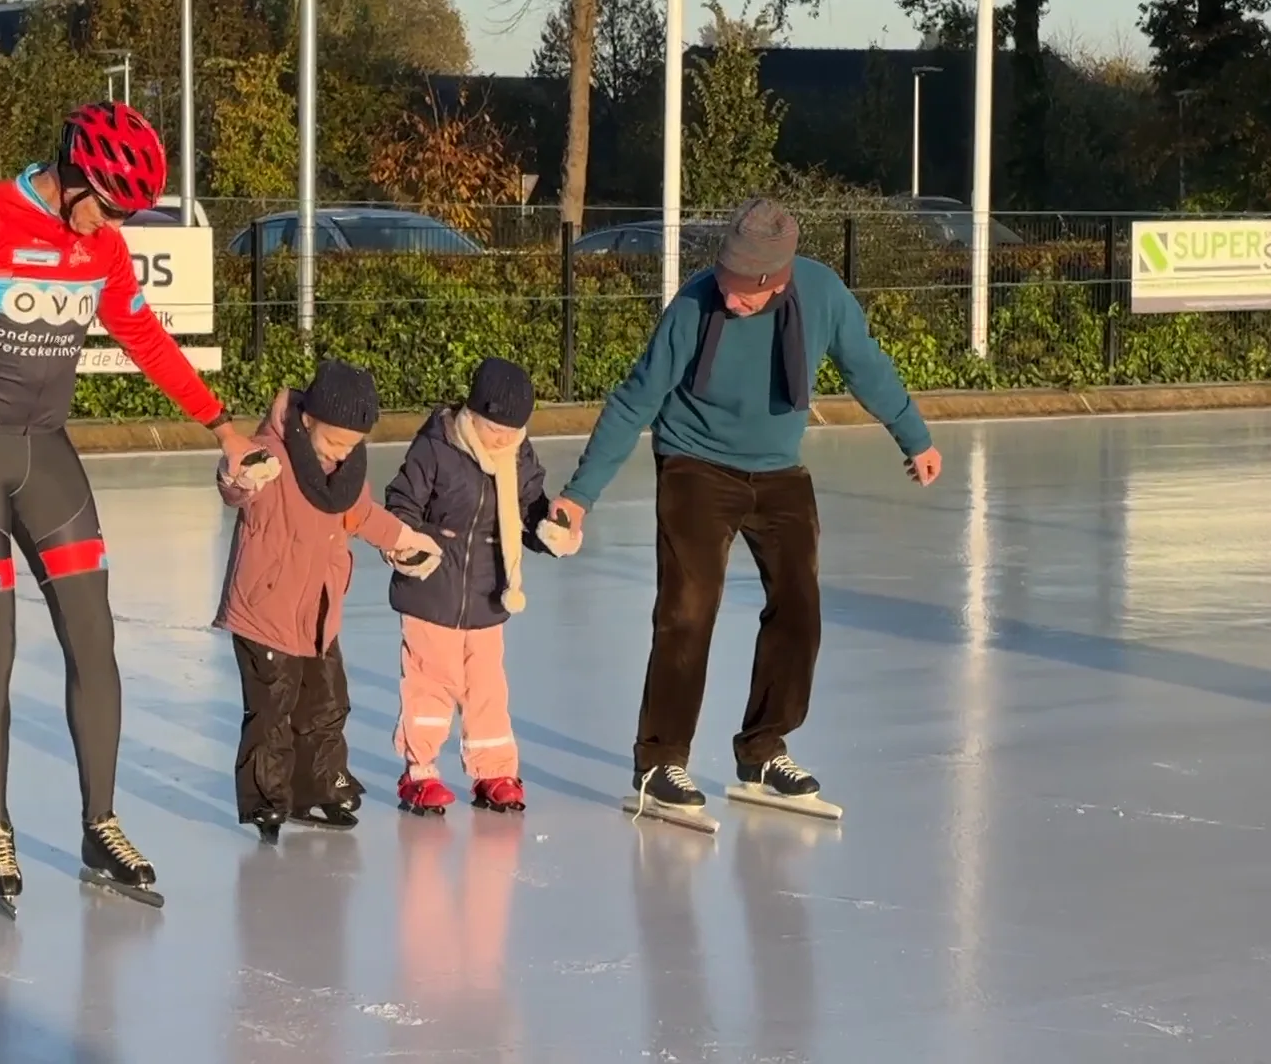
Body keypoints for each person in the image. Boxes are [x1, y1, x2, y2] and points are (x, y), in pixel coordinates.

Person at [0, 101, 264, 906]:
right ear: (72, 169)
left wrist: (221, 427)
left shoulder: (102, 245)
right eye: (106, 204)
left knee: (93, 637)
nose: (109, 225)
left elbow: (141, 335)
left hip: (46, 449)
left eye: (124, 214)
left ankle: (98, 824)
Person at [547, 196, 942, 813]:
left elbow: (866, 366)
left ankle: (763, 749)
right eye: (725, 282)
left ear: (779, 279)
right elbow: (635, 399)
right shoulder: (695, 304)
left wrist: (914, 436)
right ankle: (659, 762)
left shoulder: (822, 295)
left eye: (744, 292)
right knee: (687, 608)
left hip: (779, 469)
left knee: (799, 606)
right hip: (694, 463)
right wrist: (579, 496)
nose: (729, 298)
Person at [213, 360, 444, 843]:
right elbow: (236, 487)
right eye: (335, 440)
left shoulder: (346, 472)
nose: (343, 452)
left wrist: (403, 539)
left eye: (353, 444)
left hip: (318, 615)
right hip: (265, 612)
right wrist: (241, 475)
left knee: (326, 703)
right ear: (308, 420)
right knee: (272, 712)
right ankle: (267, 801)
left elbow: (360, 514)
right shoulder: (270, 455)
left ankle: (320, 788)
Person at [382, 357, 578, 815]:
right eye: (495, 429)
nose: (505, 440)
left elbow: (530, 508)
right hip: (432, 587)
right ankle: (420, 770)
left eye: (514, 432)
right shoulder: (437, 445)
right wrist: (407, 544)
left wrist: (550, 532)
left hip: (490, 592)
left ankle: (494, 770)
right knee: (431, 682)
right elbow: (401, 501)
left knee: (487, 685)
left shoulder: (517, 455)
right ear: (472, 415)